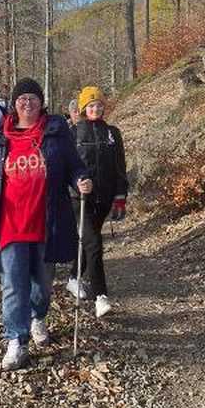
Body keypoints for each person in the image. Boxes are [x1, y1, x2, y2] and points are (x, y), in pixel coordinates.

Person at [0, 77, 92, 371]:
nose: (27, 103)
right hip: (10, 224)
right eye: (22, 99)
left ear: (41, 103)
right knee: (13, 285)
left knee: (43, 285)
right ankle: (16, 340)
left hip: (45, 222)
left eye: (33, 99)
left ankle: (38, 317)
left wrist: (81, 180)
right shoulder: (0, 136)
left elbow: (74, 166)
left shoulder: (56, 133)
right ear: (14, 104)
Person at [68, 86, 128, 317]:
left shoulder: (112, 133)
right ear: (83, 108)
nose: (96, 109)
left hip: (104, 198)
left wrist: (120, 197)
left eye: (99, 105)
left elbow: (120, 167)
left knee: (87, 242)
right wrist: (74, 185)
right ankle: (100, 296)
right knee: (94, 244)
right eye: (91, 105)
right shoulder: (72, 133)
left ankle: (74, 278)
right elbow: (65, 168)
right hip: (79, 199)